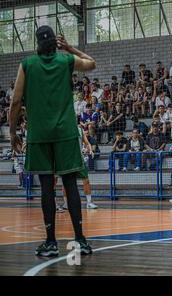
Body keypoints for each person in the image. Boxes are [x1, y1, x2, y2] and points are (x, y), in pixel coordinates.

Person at [9, 26, 94, 257]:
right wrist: (69, 47)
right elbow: (91, 62)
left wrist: (12, 132)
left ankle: (50, 242)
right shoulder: (66, 60)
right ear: (55, 43)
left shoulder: (27, 65)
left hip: (39, 134)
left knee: (46, 187)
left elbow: (16, 101)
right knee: (70, 185)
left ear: (37, 43)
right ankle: (81, 240)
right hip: (66, 132)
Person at [57, 125, 99, 212]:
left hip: (79, 159)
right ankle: (66, 203)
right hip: (67, 160)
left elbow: (87, 143)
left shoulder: (80, 129)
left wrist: (90, 150)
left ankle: (89, 202)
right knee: (65, 182)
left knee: (86, 180)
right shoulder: (63, 128)